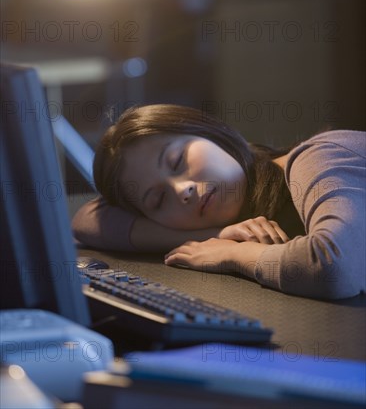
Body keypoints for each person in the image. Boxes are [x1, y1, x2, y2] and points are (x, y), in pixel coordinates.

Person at [72, 104, 366, 300]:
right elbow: (87, 220)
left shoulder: (318, 158)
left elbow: (334, 268)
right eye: (159, 199)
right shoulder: (240, 218)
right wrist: (215, 236)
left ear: (212, 133)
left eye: (177, 160)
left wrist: (232, 254)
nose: (182, 190)